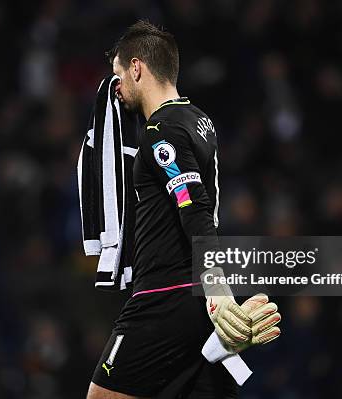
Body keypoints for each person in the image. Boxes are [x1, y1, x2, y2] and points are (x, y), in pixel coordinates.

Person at [87, 21, 280, 398]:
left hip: (164, 297)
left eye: (119, 75)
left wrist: (220, 291)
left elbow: (193, 207)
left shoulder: (162, 132)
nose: (117, 89)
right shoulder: (199, 120)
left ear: (138, 68)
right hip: (195, 303)